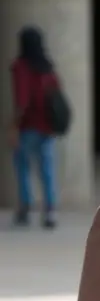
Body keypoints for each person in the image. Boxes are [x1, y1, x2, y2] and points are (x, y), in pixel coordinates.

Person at [9, 27, 59, 229]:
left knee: (23, 167)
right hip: (47, 126)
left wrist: (13, 125)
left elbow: (22, 100)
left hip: (28, 126)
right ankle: (50, 211)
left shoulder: (21, 67)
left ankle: (25, 208)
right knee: (47, 169)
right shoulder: (47, 67)